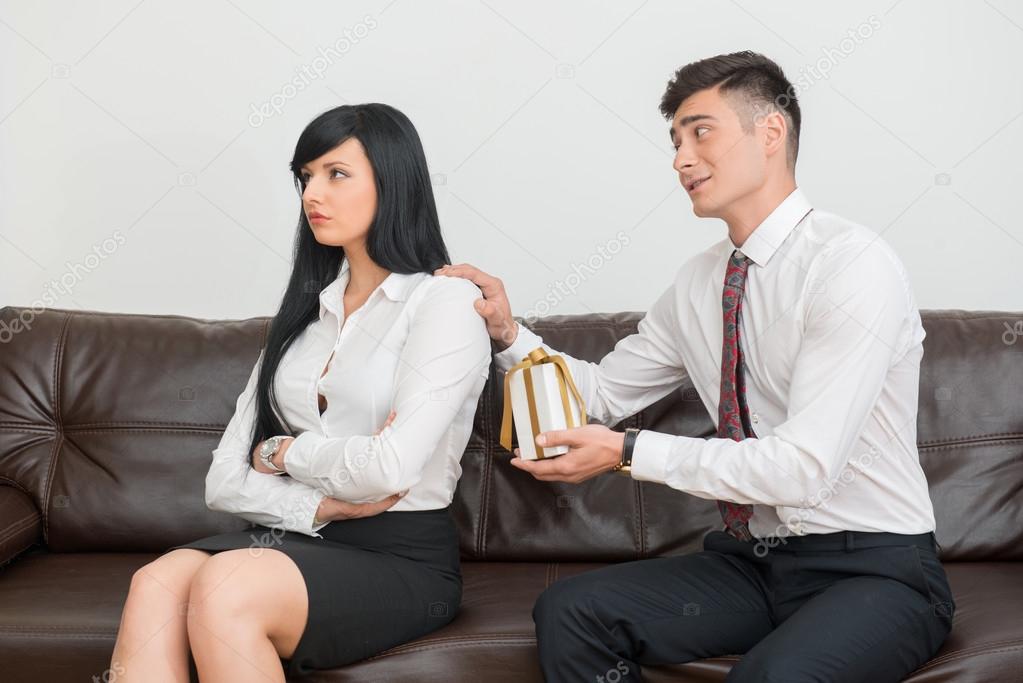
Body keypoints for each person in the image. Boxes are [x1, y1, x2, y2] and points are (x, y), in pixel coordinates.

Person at [438, 51, 954, 682]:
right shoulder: (700, 282)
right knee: (571, 613)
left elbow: (801, 469)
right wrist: (508, 333)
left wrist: (628, 452)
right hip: (752, 563)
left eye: (700, 131)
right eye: (675, 140)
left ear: (771, 133)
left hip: (875, 568)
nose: (681, 158)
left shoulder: (851, 265)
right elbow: (600, 395)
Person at [109, 103, 491, 681]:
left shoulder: (444, 303)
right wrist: (320, 503)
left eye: (336, 173)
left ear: (393, 181)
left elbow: (389, 471)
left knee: (225, 587)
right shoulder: (304, 318)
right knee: (155, 583)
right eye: (305, 177)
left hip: (400, 554)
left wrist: (284, 454)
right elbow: (223, 482)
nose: (313, 193)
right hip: (296, 533)